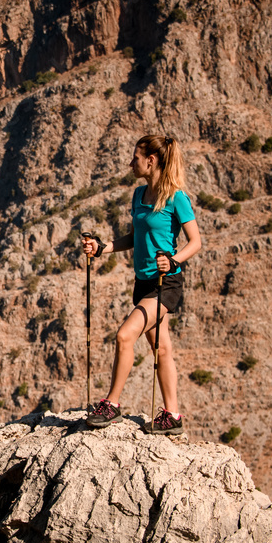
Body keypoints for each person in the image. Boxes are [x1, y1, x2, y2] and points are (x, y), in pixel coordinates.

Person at [81, 134, 201, 434]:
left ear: (152, 160)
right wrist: (101, 248)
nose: (130, 162)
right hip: (143, 281)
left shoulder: (176, 198)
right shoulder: (139, 195)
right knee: (162, 348)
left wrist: (173, 260)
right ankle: (172, 416)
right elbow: (136, 238)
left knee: (124, 336)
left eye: (135, 157)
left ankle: (112, 404)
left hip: (166, 283)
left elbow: (196, 242)